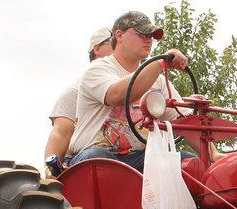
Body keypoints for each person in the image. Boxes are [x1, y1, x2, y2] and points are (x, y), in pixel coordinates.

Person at [66, 10, 190, 170]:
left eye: (151, 36)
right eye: (142, 34)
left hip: (142, 158)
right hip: (96, 154)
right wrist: (159, 63)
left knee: (187, 163)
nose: (148, 40)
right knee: (97, 159)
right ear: (119, 35)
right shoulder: (97, 69)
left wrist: (213, 155)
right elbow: (118, 95)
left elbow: (185, 122)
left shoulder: (159, 80)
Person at [43, 27, 115, 177]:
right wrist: (49, 173)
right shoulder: (74, 91)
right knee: (97, 156)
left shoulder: (129, 86)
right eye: (112, 41)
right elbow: (61, 133)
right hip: (87, 158)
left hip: (124, 158)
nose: (119, 47)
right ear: (97, 48)